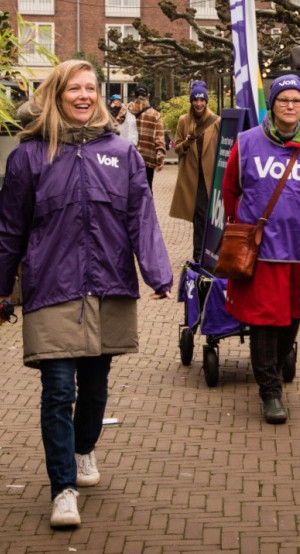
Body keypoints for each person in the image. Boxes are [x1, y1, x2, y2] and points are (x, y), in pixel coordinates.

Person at [0, 60, 173, 528]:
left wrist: (158, 273)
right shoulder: (28, 157)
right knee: (57, 390)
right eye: (73, 89)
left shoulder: (122, 152)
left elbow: (141, 216)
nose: (83, 96)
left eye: (90, 88)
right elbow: (10, 230)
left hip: (108, 284)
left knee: (95, 387)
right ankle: (63, 490)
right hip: (51, 287)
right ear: (55, 96)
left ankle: (83, 450)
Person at [221, 74, 300, 425]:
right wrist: (242, 230)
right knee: (264, 320)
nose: (290, 106)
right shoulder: (247, 142)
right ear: (273, 105)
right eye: (283, 100)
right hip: (262, 252)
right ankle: (270, 390)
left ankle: (274, 371)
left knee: (291, 318)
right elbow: (230, 189)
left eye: (296, 101)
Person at [169, 80, 221, 261]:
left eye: (202, 100)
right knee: (198, 216)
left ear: (206, 101)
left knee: (210, 216)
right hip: (192, 177)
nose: (199, 103)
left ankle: (210, 252)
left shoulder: (216, 121)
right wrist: (187, 143)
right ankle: (199, 254)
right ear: (191, 102)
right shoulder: (184, 121)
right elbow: (176, 148)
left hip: (210, 176)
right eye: (195, 100)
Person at [117, 85, 165, 191]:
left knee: (128, 189)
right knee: (147, 189)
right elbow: (159, 138)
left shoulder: (125, 110)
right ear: (148, 96)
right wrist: (160, 159)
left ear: (134, 95)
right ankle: (146, 207)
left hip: (128, 157)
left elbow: (117, 129)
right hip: (147, 159)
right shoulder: (156, 115)